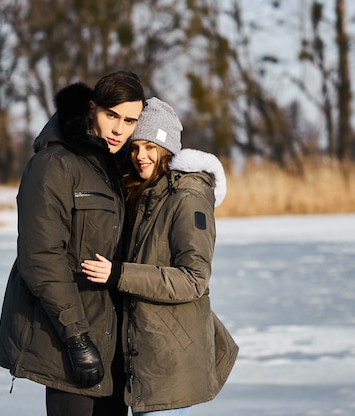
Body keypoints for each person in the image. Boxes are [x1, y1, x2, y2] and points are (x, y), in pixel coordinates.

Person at [0, 71, 146, 416]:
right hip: (67, 338)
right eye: (112, 115)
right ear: (92, 109)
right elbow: (41, 257)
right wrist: (77, 338)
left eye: (130, 120)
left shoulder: (112, 168)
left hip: (112, 341)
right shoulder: (53, 165)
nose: (119, 129)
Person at [81, 97, 239, 415]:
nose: (141, 156)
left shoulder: (187, 199)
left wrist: (119, 274)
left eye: (151, 147)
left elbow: (193, 280)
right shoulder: (145, 192)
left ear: (168, 150)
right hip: (144, 354)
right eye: (136, 147)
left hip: (170, 359)